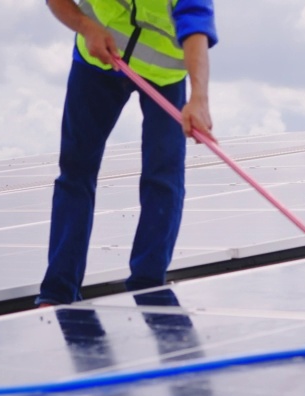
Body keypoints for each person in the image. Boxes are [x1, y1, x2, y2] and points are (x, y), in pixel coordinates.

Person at [37, 0, 217, 306]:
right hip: (95, 62)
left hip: (164, 74)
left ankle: (147, 287)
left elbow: (196, 22)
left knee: (164, 176)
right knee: (75, 172)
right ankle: (57, 292)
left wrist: (199, 97)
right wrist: (86, 26)